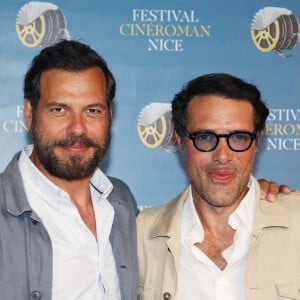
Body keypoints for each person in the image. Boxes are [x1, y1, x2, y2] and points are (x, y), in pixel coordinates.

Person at [137, 73, 300, 300]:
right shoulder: (142, 234)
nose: (222, 156)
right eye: (205, 137)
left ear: (257, 142)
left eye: (239, 138)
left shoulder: (295, 220)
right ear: (180, 139)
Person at [0, 40, 138, 299]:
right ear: (29, 113)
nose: (77, 128)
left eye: (92, 110)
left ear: (109, 115)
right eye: (59, 110)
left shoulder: (122, 202)